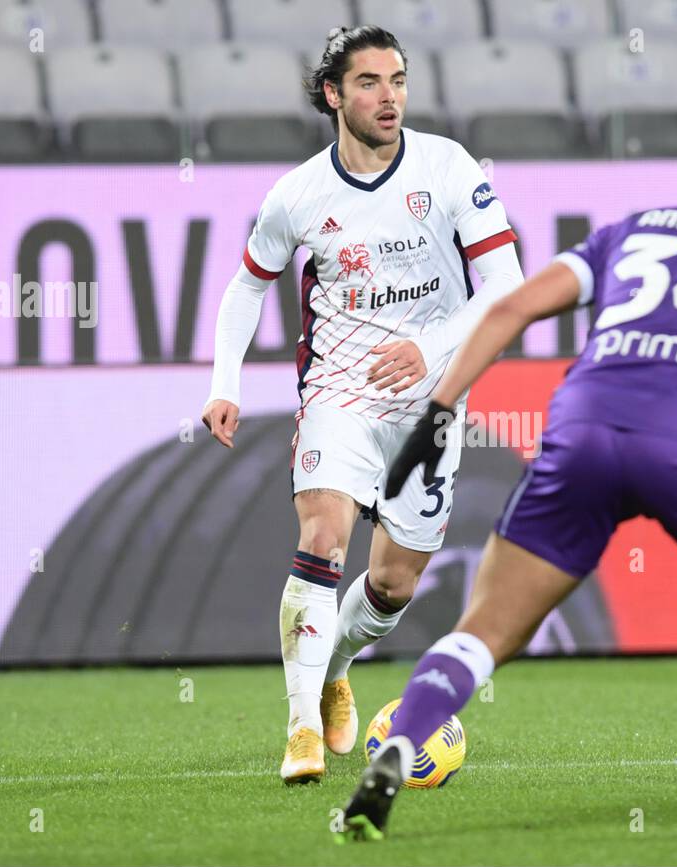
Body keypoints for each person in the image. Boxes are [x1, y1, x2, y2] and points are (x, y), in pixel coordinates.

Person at [338, 120, 677, 838]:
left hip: (582, 427)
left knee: (485, 629)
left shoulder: (628, 231)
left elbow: (509, 307)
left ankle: (399, 751)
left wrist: (438, 415)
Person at [202, 26, 523, 783]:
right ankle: (301, 726)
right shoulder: (299, 194)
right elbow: (250, 282)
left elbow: (509, 284)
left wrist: (433, 347)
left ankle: (337, 664)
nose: (390, 97)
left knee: (392, 584)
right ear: (333, 95)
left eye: (399, 80)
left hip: (432, 399)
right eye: (371, 82)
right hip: (337, 391)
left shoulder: (447, 167)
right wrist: (225, 381)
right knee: (322, 535)